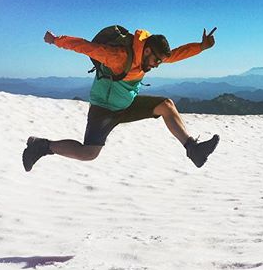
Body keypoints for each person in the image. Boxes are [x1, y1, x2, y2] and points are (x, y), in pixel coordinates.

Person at [22, 26, 220, 171]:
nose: (157, 65)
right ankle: (42, 146)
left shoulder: (149, 56)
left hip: (126, 103)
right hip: (104, 108)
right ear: (148, 51)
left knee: (166, 105)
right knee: (89, 153)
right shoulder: (119, 57)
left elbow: (174, 55)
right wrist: (56, 40)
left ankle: (193, 150)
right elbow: (86, 47)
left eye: (160, 61)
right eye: (156, 61)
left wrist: (201, 46)